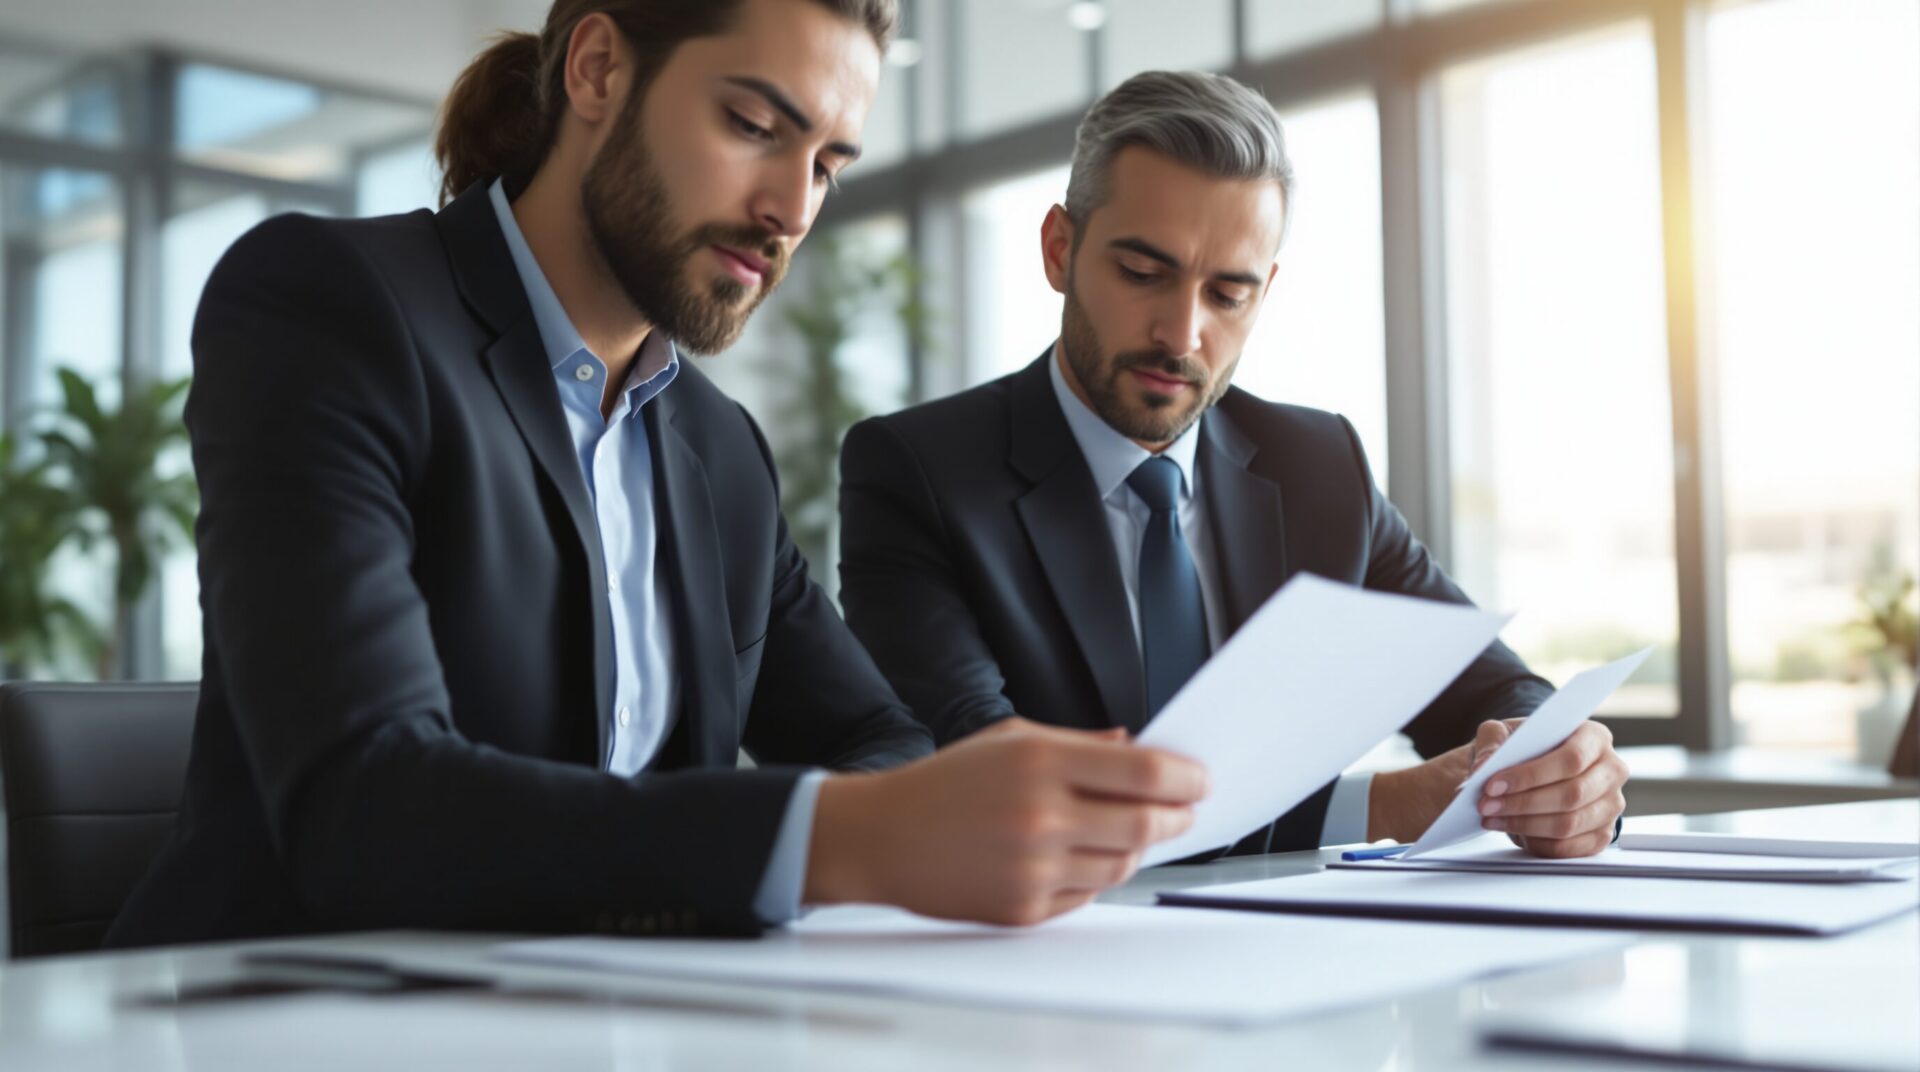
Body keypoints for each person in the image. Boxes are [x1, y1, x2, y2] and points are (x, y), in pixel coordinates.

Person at [107, 0, 1206, 950]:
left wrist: (903, 822)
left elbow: (881, 739)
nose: (792, 208)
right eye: (752, 125)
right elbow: (365, 803)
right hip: (285, 1018)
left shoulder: (717, 447)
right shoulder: (333, 306)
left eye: (826, 163)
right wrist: (846, 840)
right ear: (598, 70)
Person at [838, 70, 1627, 860]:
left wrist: (1557, 768)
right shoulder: (918, 472)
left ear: (1266, 291)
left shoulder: (1320, 467)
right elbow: (985, 773)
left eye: (1228, 294)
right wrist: (1379, 805)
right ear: (1059, 249)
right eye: (1144, 273)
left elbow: (1491, 685)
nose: (1182, 334)